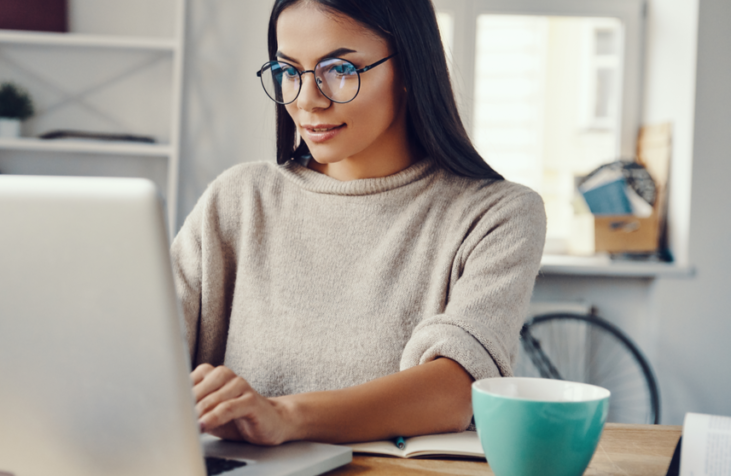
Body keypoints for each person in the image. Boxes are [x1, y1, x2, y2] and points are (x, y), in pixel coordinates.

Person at [171, 0, 546, 446]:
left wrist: (284, 416)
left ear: (409, 69)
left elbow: (455, 389)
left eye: (340, 69)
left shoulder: (497, 215)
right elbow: (146, 343)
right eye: (289, 71)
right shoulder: (237, 200)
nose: (308, 99)